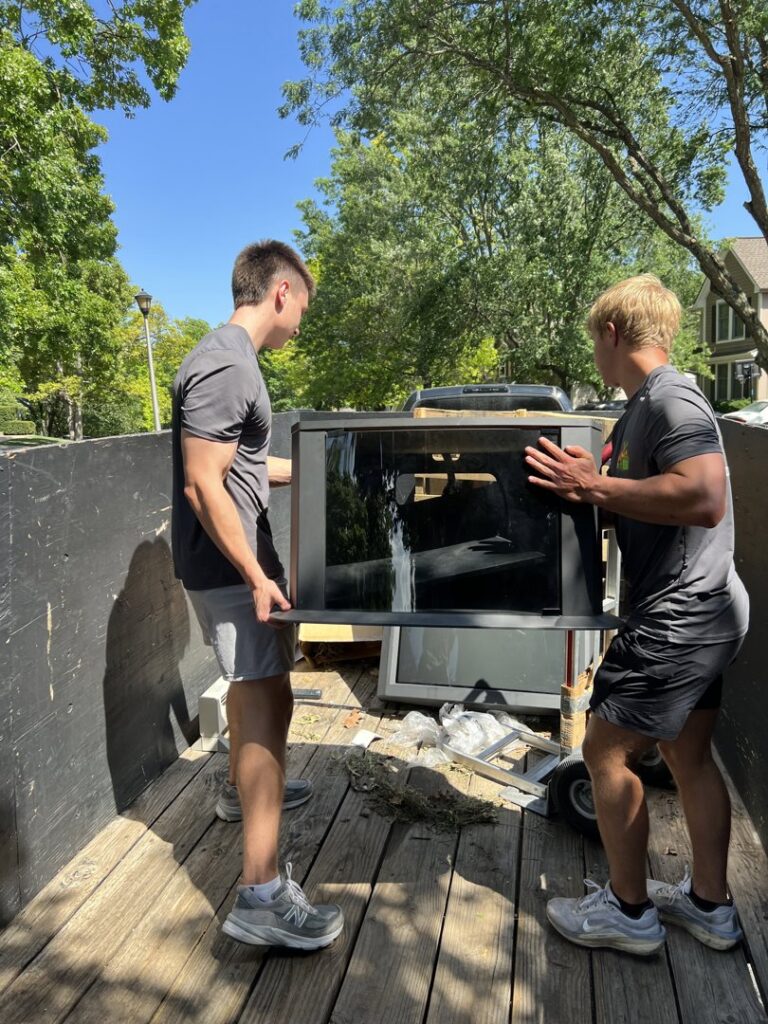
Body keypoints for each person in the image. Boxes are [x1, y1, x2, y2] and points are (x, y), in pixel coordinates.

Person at [525, 274, 749, 957]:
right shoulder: (638, 413)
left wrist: (592, 483)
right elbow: (640, 493)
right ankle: (710, 907)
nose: (595, 354)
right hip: (708, 608)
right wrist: (589, 479)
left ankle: (629, 911)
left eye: (595, 342)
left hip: (680, 614)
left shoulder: (671, 396)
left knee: (604, 751)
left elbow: (703, 495)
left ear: (612, 335)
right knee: (686, 754)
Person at [171, 240, 344, 950]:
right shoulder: (223, 362)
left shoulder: (233, 363)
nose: (304, 313)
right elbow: (201, 482)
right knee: (265, 695)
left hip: (228, 566)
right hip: (229, 571)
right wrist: (256, 574)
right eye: (304, 299)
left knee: (261, 695)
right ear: (280, 292)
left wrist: (326, 462)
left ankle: (241, 795)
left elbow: (239, 464)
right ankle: (260, 895)